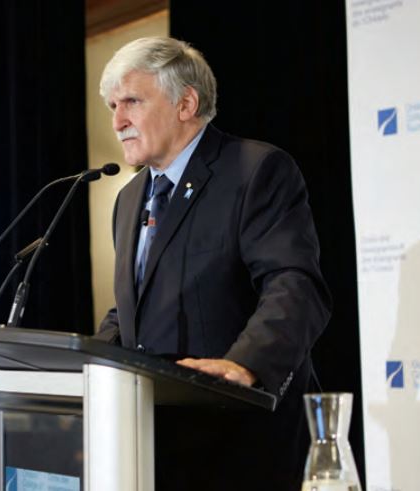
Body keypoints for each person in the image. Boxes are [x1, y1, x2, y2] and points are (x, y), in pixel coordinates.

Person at [94, 36, 332, 490]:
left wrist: (247, 365)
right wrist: (79, 366)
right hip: (155, 442)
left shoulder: (255, 170)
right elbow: (133, 309)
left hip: (241, 441)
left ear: (186, 103)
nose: (118, 120)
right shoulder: (128, 199)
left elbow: (295, 284)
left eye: (131, 102)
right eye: (112, 106)